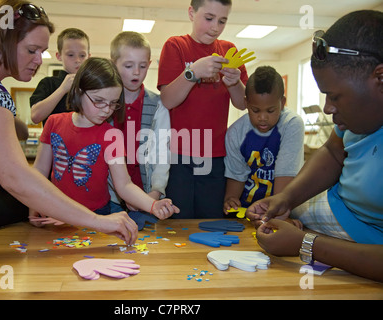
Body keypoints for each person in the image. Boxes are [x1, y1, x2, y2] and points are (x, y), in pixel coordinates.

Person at [0, 0, 138, 246]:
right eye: (32, 50)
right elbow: (16, 178)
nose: (40, 60)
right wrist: (99, 221)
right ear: (2, 42)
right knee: (31, 199)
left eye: (42, 51)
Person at [248, 10, 383, 282]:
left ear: (380, 78)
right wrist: (286, 198)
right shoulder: (357, 118)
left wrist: (306, 244)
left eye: (334, 96)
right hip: (337, 207)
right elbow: (334, 152)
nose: (327, 108)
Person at [29, 57, 179, 227]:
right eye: (98, 101)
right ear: (78, 91)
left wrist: (153, 205)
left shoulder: (112, 135)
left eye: (113, 103)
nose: (106, 110)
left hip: (98, 216)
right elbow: (39, 170)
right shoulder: (54, 123)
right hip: (57, 212)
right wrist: (34, 202)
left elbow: (124, 185)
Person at [157, 0, 248, 218]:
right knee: (179, 221)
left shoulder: (229, 50)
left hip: (215, 154)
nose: (215, 27)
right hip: (179, 154)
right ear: (191, 13)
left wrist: (235, 82)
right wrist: (192, 72)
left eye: (222, 21)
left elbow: (242, 103)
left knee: (211, 218)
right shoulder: (175, 45)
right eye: (209, 18)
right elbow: (168, 100)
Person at [223, 66, 304, 214]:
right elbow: (236, 179)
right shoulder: (235, 133)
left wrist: (278, 216)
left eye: (270, 110)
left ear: (283, 102)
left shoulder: (291, 125)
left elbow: (284, 183)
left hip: (280, 209)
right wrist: (231, 201)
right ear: (246, 103)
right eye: (255, 110)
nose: (262, 117)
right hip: (247, 211)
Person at [109, 31, 171, 213]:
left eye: (143, 66)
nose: (136, 72)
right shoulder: (105, 105)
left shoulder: (159, 105)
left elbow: (162, 152)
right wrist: (122, 194)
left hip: (148, 195)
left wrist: (156, 191)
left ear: (149, 65)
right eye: (128, 66)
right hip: (111, 197)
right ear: (114, 64)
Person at [30, 28, 90, 125]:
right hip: (54, 139)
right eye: (70, 55)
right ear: (59, 56)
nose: (77, 60)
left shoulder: (92, 85)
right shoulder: (48, 83)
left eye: (82, 55)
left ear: (89, 57)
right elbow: (35, 116)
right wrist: (62, 89)